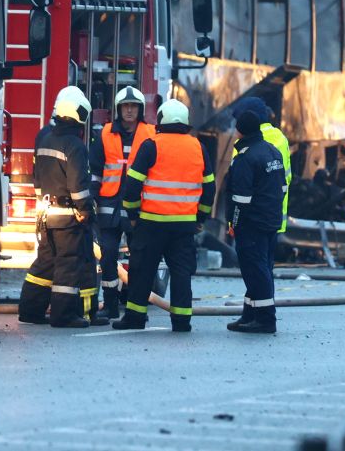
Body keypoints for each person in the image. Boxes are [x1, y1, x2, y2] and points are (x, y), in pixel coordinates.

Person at [112, 99, 215, 333]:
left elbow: (132, 185)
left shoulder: (151, 145)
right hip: (184, 226)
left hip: (151, 223)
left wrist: (133, 214)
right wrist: (201, 218)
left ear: (160, 120)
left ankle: (135, 318)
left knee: (141, 271)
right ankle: (181, 322)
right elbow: (209, 187)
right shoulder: (198, 147)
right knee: (181, 273)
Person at [17, 86, 106, 328]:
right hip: (69, 217)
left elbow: (37, 177)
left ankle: (30, 310)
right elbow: (78, 185)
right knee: (68, 264)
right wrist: (85, 210)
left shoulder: (44, 138)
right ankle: (63, 315)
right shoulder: (75, 145)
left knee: (45, 262)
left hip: (46, 214)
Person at [89, 86, 155, 319]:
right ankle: (110, 305)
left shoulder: (151, 134)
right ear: (118, 109)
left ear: (140, 109)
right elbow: (96, 172)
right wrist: (92, 198)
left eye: (133, 106)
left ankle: (137, 308)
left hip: (138, 206)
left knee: (139, 259)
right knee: (107, 257)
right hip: (109, 205)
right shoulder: (106, 134)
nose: (129, 110)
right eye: (125, 106)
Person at [225, 107, 286, 334]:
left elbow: (240, 200)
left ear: (240, 130)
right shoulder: (272, 151)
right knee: (261, 268)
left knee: (255, 270)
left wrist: (235, 225)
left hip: (252, 225)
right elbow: (282, 188)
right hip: (271, 221)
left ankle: (265, 319)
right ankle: (249, 314)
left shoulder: (245, 158)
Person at [230, 96, 292, 233]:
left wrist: (234, 223)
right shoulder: (281, 138)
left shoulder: (246, 144)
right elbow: (286, 179)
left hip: (252, 222)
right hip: (275, 219)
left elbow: (239, 185)